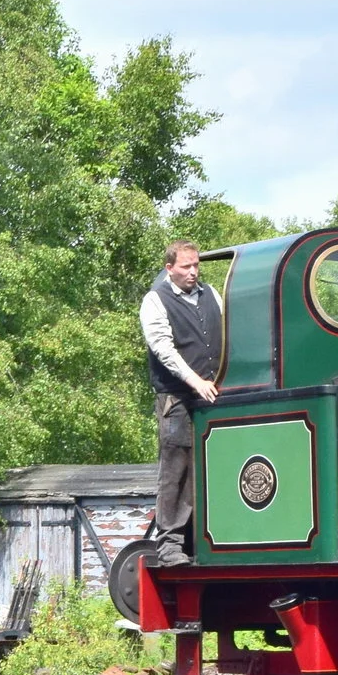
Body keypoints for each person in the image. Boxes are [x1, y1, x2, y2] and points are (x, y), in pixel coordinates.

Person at [139, 242, 222, 565]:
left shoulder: (210, 294)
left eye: (196, 265)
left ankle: (206, 539)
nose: (193, 272)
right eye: (186, 266)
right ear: (169, 267)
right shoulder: (155, 300)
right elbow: (163, 348)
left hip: (213, 394)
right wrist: (195, 382)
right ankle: (170, 546)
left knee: (211, 466)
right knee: (176, 469)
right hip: (177, 396)